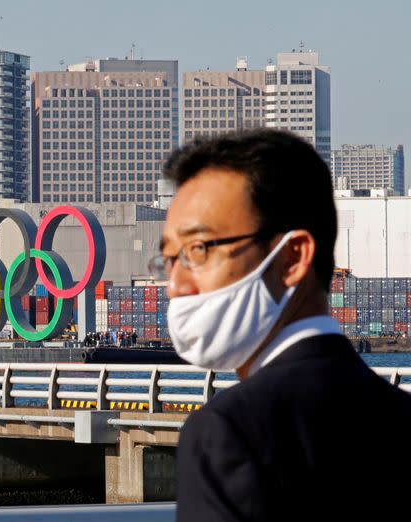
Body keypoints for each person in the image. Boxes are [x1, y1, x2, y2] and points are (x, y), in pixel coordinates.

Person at [151, 130, 411, 521]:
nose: (175, 285)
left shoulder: (228, 433)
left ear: (292, 258)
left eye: (198, 250)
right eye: (169, 260)